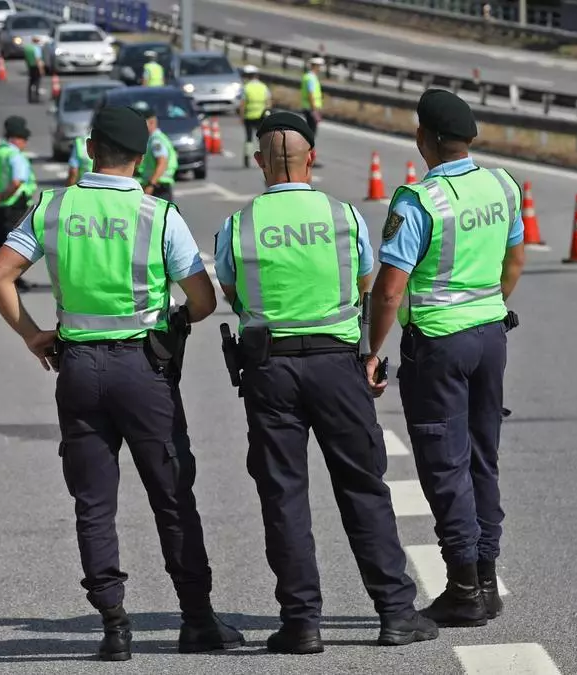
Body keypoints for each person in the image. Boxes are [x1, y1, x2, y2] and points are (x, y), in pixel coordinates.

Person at [0, 105, 243, 662]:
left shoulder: (53, 207)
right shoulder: (157, 214)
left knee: (93, 502)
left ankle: (114, 626)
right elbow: (202, 301)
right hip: (144, 371)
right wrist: (172, 318)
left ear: (89, 149)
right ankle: (198, 620)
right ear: (142, 158)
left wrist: (33, 335)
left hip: (78, 368)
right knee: (172, 495)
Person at [215, 111, 438, 654]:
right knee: (363, 486)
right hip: (337, 365)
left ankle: (301, 624)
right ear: (311, 158)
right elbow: (364, 284)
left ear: (259, 162)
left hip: (269, 368)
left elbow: (231, 291)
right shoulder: (344, 215)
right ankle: (395, 613)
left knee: (283, 494)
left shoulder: (238, 225)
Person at [365, 89, 526, 628]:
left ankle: (462, 588)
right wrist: (488, 306)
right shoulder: (502, 184)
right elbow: (515, 260)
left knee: (445, 464)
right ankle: (486, 579)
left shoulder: (419, 201)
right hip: (491, 335)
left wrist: (372, 351)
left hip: (438, 344)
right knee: (483, 457)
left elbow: (390, 289)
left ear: (423, 139)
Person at [0, 115, 37, 291]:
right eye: (24, 139)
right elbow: (16, 182)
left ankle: (7, 279)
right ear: (16, 139)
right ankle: (10, 281)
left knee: (1, 245)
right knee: (16, 246)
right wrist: (2, 196)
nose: (25, 143)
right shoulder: (15, 156)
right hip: (15, 206)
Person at [132, 103, 177, 203]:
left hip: (158, 186)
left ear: (152, 122)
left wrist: (151, 185)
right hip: (156, 184)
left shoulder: (156, 141)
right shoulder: (151, 139)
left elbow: (162, 163)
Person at [238, 64, 272, 168]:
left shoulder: (246, 88)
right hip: (261, 116)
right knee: (262, 138)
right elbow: (269, 102)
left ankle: (247, 157)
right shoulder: (263, 87)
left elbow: (242, 104)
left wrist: (241, 116)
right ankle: (265, 157)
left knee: (249, 138)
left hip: (249, 116)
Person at [300, 57, 324, 167]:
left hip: (308, 108)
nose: (320, 69)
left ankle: (307, 157)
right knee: (311, 134)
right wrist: (314, 109)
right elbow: (310, 94)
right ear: (315, 66)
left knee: (310, 134)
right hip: (311, 108)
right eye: (319, 66)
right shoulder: (311, 78)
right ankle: (309, 158)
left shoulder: (308, 77)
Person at [24, 35, 46, 104]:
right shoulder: (36, 48)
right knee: (37, 83)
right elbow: (38, 59)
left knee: (31, 82)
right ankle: (36, 98)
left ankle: (30, 98)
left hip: (31, 66)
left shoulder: (28, 48)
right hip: (36, 67)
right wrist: (41, 69)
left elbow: (26, 58)